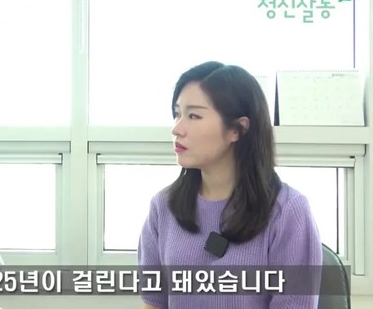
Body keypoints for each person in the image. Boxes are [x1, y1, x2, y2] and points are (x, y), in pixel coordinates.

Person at [137, 59, 322, 291]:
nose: (177, 128)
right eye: (177, 114)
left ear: (237, 129)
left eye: (193, 116)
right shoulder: (163, 207)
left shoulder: (287, 211)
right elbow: (154, 303)